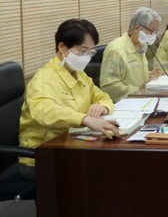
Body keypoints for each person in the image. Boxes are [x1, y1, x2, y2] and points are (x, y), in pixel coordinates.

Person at [18, 19, 121, 178]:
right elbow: (44, 111)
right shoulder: (44, 78)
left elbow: (103, 96)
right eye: (82, 51)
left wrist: (103, 106)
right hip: (43, 154)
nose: (87, 57)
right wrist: (84, 119)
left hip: (73, 143)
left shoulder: (78, 73)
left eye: (90, 52)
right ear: (62, 47)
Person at [100, 7, 163, 102]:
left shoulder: (141, 45)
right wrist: (139, 91)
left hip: (143, 99)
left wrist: (150, 75)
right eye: (152, 30)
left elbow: (133, 76)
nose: (154, 35)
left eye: (156, 32)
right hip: (126, 103)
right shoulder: (116, 49)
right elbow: (109, 86)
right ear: (137, 28)